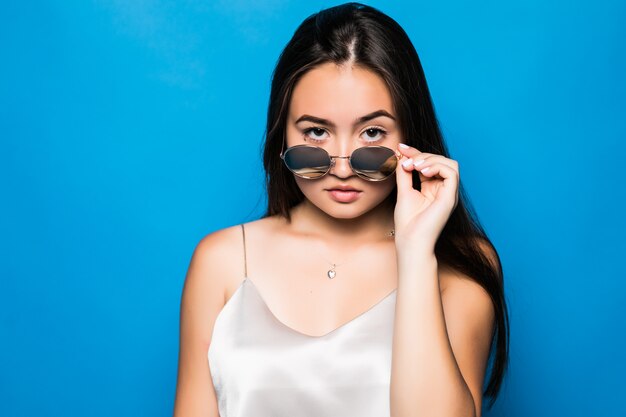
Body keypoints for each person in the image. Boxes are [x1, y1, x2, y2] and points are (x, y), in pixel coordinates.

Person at [173, 2, 509, 416]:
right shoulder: (221, 262)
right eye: (316, 132)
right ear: (282, 136)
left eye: (372, 133)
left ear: (410, 136)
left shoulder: (462, 265)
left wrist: (417, 250)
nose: (343, 165)